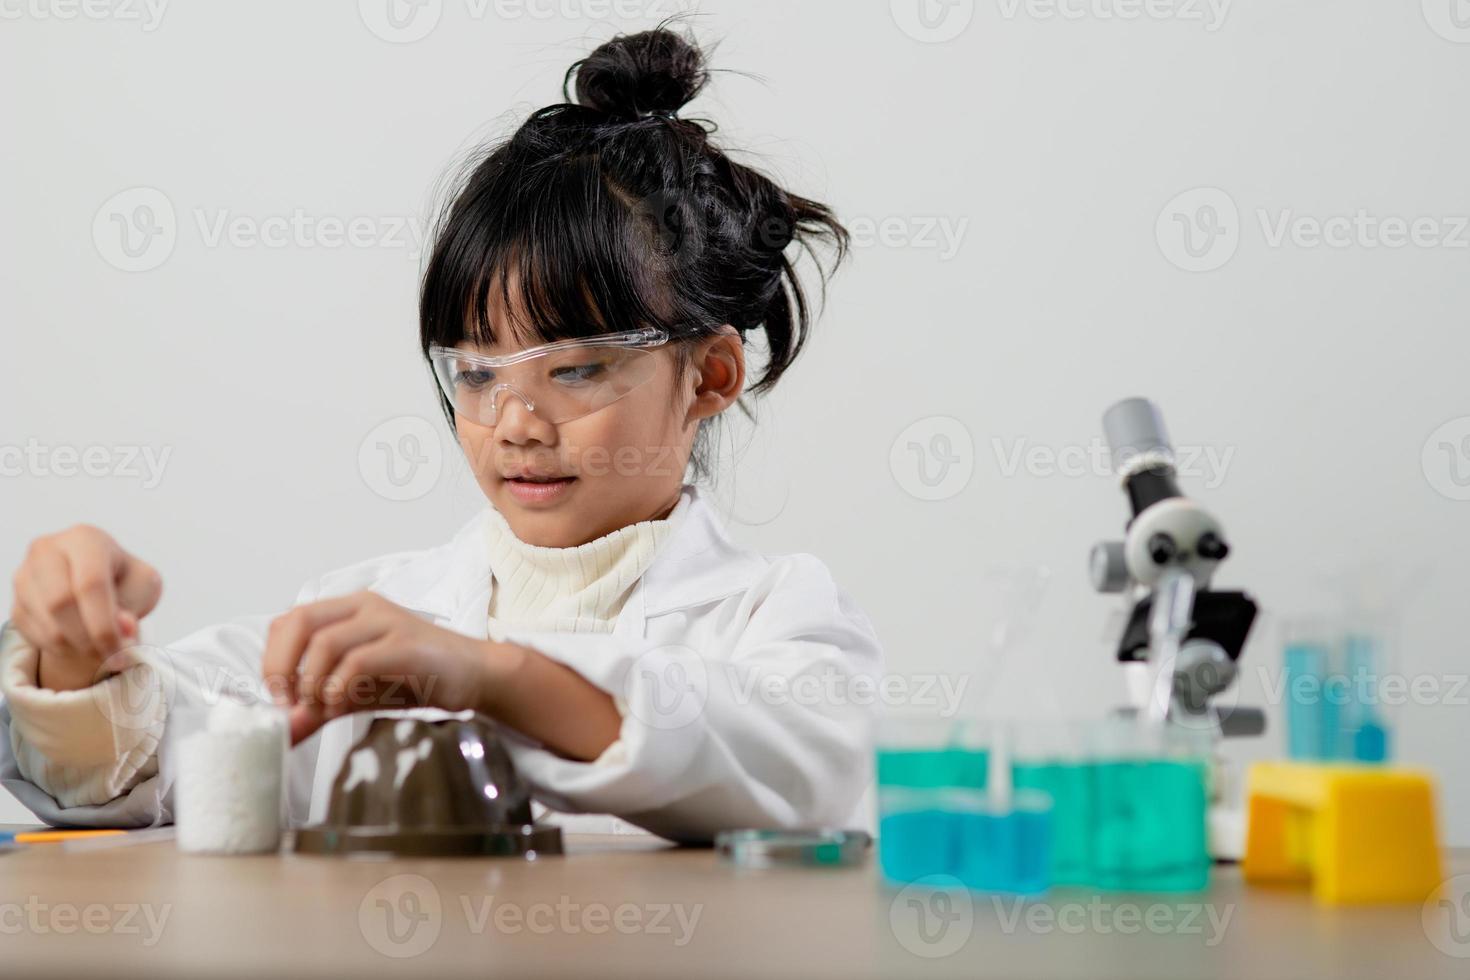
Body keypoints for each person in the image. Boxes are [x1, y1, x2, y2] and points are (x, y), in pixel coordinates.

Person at [0, 26, 881, 843]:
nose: (517, 425)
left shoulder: (773, 612)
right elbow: (151, 759)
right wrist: (77, 662)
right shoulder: (379, 611)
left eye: (574, 369)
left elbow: (806, 768)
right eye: (477, 373)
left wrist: (489, 676)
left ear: (712, 375)